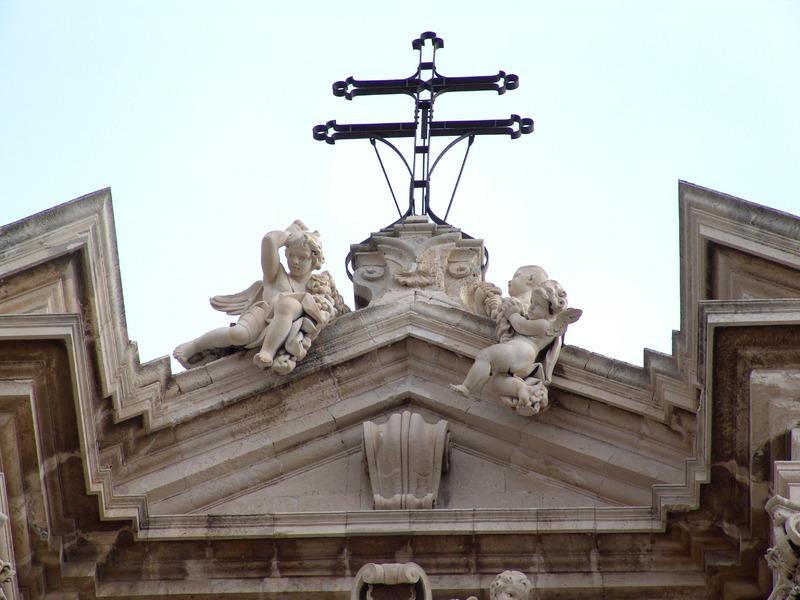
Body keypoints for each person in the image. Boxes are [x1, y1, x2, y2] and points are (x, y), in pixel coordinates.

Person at [174, 219, 343, 372]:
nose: (295, 261)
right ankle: (195, 345)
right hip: (263, 314)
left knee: (289, 305)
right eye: (291, 255)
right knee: (238, 335)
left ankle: (268, 351)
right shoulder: (276, 274)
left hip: (285, 321)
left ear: (315, 260)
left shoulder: (317, 288)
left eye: (302, 257)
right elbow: (269, 240)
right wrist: (289, 234)